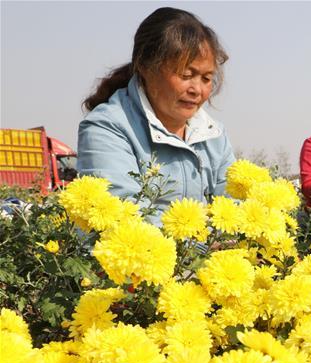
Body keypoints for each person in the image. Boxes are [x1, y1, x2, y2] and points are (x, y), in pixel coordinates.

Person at [77, 7, 234, 212]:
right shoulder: (107, 128)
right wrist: (207, 241)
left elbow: (234, 207)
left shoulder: (213, 135)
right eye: (186, 75)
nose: (197, 90)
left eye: (206, 79)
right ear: (146, 66)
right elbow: (122, 215)